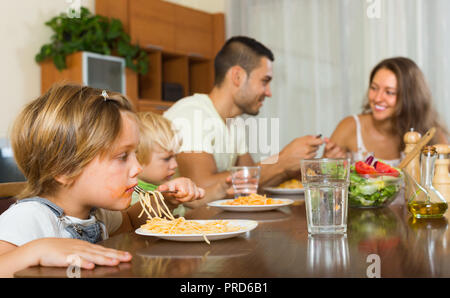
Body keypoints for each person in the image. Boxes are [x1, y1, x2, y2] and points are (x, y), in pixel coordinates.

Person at [0, 84, 203, 274]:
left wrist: (165, 199)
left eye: (136, 154)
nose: (138, 168)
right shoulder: (29, 217)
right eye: (123, 157)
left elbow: (131, 221)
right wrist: (36, 251)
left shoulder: (98, 213)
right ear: (65, 168)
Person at [164, 36, 324, 191]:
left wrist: (293, 166)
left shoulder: (235, 123)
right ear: (237, 76)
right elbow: (202, 188)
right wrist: (282, 161)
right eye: (265, 81)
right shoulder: (192, 115)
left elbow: (253, 183)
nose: (269, 93)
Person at [323, 57, 448, 165]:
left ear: (410, 98)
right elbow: (319, 179)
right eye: (374, 88)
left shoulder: (431, 134)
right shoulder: (350, 127)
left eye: (390, 92)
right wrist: (329, 163)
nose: (377, 98)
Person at [131, 111, 229, 210]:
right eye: (167, 158)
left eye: (175, 156)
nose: (175, 165)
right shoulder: (130, 196)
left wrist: (223, 188)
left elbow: (193, 203)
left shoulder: (163, 183)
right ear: (136, 158)